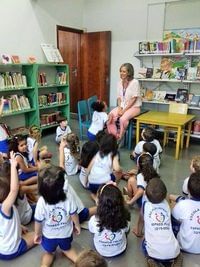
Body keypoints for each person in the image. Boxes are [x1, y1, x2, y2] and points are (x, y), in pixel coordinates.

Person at [34, 164, 81, 265]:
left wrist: (37, 234)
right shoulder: (68, 197)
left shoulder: (41, 202)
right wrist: (77, 226)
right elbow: (74, 214)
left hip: (49, 236)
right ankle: (80, 262)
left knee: (49, 253)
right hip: (65, 234)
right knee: (68, 250)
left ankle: (44, 265)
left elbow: (38, 221)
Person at [135, 178, 182, 267]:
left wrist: (138, 232)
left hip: (154, 253)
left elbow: (141, 222)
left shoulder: (145, 206)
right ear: (164, 194)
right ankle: (175, 261)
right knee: (178, 253)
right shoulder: (167, 204)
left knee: (144, 243)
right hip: (173, 251)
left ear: (146, 194)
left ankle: (151, 259)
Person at [0, 151, 35, 260]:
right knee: (38, 234)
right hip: (12, 250)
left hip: (2, 248)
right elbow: (14, 189)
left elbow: (4, 225)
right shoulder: (5, 207)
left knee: (27, 233)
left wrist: (19, 226)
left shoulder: (4, 207)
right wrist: (14, 166)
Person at [88, 183, 130, 257]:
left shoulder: (94, 220)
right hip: (121, 249)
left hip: (101, 251)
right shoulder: (126, 217)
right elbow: (127, 229)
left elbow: (91, 231)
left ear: (99, 204)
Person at [107, 63, 141, 140]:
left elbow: (134, 99)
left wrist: (124, 110)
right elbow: (119, 98)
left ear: (129, 72)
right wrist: (119, 108)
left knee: (123, 119)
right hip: (122, 106)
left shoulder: (135, 82)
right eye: (121, 71)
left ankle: (120, 137)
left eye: (124, 71)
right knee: (110, 115)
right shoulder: (119, 83)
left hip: (134, 107)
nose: (121, 73)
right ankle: (113, 135)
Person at [171, 172, 200, 254]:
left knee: (174, 209)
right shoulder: (183, 204)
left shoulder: (182, 205)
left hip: (185, 246)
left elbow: (173, 221)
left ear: (188, 190)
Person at [87, 133, 122, 200]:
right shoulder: (113, 154)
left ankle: (95, 196)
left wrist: (86, 181)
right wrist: (121, 169)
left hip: (92, 184)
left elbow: (89, 168)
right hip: (104, 184)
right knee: (119, 173)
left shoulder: (98, 153)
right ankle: (113, 188)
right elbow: (117, 169)